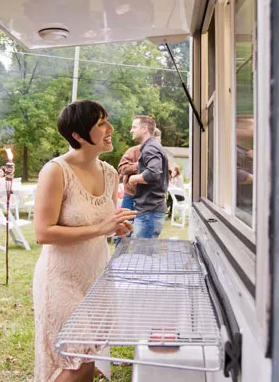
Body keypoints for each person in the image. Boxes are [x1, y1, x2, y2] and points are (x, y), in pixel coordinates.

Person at [33, 100, 136, 382]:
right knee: (73, 363)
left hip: (97, 277)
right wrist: (101, 227)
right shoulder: (55, 171)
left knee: (88, 359)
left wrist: (117, 227)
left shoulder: (111, 173)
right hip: (61, 279)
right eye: (101, 123)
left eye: (107, 121)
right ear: (78, 136)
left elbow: (102, 223)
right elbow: (43, 233)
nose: (110, 128)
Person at [128, 115, 170, 238]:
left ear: (144, 129)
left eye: (134, 127)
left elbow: (153, 173)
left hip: (149, 212)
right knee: (146, 254)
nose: (131, 130)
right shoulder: (152, 146)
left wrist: (133, 178)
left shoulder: (150, 147)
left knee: (143, 255)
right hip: (150, 211)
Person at [118, 127, 163, 211]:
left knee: (145, 223)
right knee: (125, 222)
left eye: (159, 141)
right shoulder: (133, 151)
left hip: (151, 198)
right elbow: (122, 168)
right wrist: (139, 166)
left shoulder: (161, 154)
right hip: (131, 196)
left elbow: (169, 172)